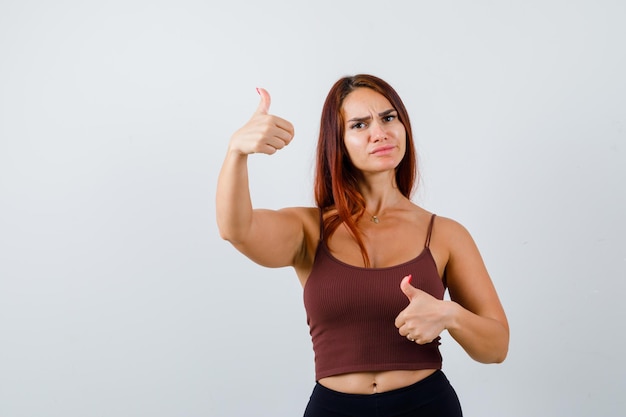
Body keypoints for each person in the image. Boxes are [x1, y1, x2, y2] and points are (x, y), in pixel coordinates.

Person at [216, 74, 509, 417]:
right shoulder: (309, 230)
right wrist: (236, 152)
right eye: (359, 124)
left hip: (427, 405)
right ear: (338, 142)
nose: (379, 132)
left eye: (388, 118)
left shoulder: (445, 234)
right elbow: (236, 229)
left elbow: (496, 347)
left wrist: (450, 315)